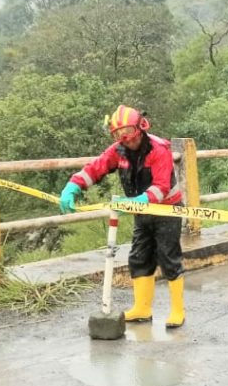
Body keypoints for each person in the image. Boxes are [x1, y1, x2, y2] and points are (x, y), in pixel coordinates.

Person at [59, 105, 186, 327]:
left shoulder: (158, 150)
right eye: (119, 134)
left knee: (168, 257)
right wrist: (73, 186)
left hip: (167, 210)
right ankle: (142, 309)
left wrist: (139, 201)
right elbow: (94, 168)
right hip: (141, 213)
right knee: (138, 257)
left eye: (128, 131)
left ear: (140, 128)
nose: (125, 138)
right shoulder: (118, 151)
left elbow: (161, 187)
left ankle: (177, 311)